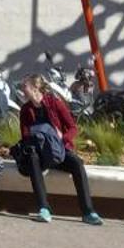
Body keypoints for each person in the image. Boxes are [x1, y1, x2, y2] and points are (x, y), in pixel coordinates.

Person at [14, 75, 102, 224]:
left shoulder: (55, 104)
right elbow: (25, 135)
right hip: (39, 154)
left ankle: (88, 211)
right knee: (33, 158)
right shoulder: (25, 110)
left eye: (25, 86)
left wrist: (62, 139)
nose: (23, 90)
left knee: (77, 164)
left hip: (58, 150)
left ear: (35, 88)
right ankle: (44, 208)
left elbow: (73, 128)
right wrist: (35, 140)